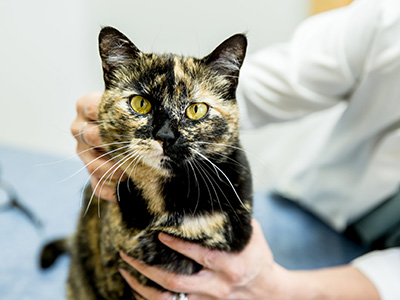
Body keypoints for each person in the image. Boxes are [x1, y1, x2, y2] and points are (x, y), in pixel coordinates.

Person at [71, 0, 400, 298]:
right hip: (316, 207)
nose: (165, 135)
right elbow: (278, 79)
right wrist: (99, 121)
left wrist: (282, 290)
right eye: (142, 105)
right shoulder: (388, 21)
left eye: (193, 112)